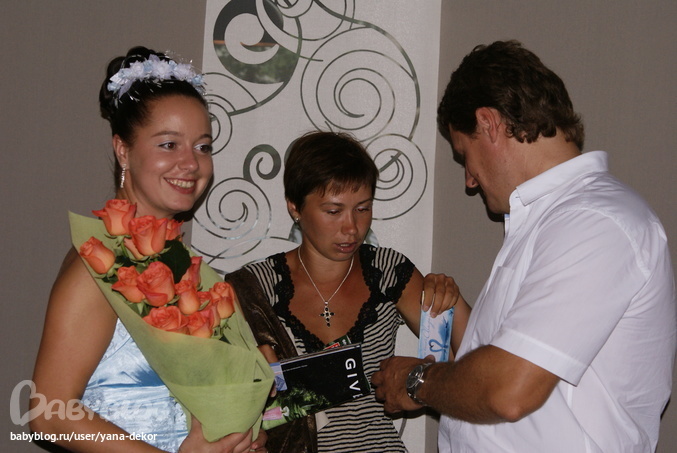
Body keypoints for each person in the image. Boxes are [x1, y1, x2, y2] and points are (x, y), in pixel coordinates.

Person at [372, 39, 676, 452]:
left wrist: (417, 381)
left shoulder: (597, 221)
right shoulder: (550, 222)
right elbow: (498, 368)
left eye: (464, 155)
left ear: (489, 123)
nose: (469, 180)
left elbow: (508, 390)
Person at [30, 46, 267, 453]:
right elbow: (49, 413)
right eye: (169, 145)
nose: (191, 163)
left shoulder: (180, 264)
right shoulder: (100, 266)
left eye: (203, 147)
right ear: (123, 150)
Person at [238, 130, 471, 452]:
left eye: (362, 209)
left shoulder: (387, 271)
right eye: (333, 211)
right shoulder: (256, 286)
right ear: (295, 207)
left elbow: (475, 365)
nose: (351, 228)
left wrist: (451, 299)